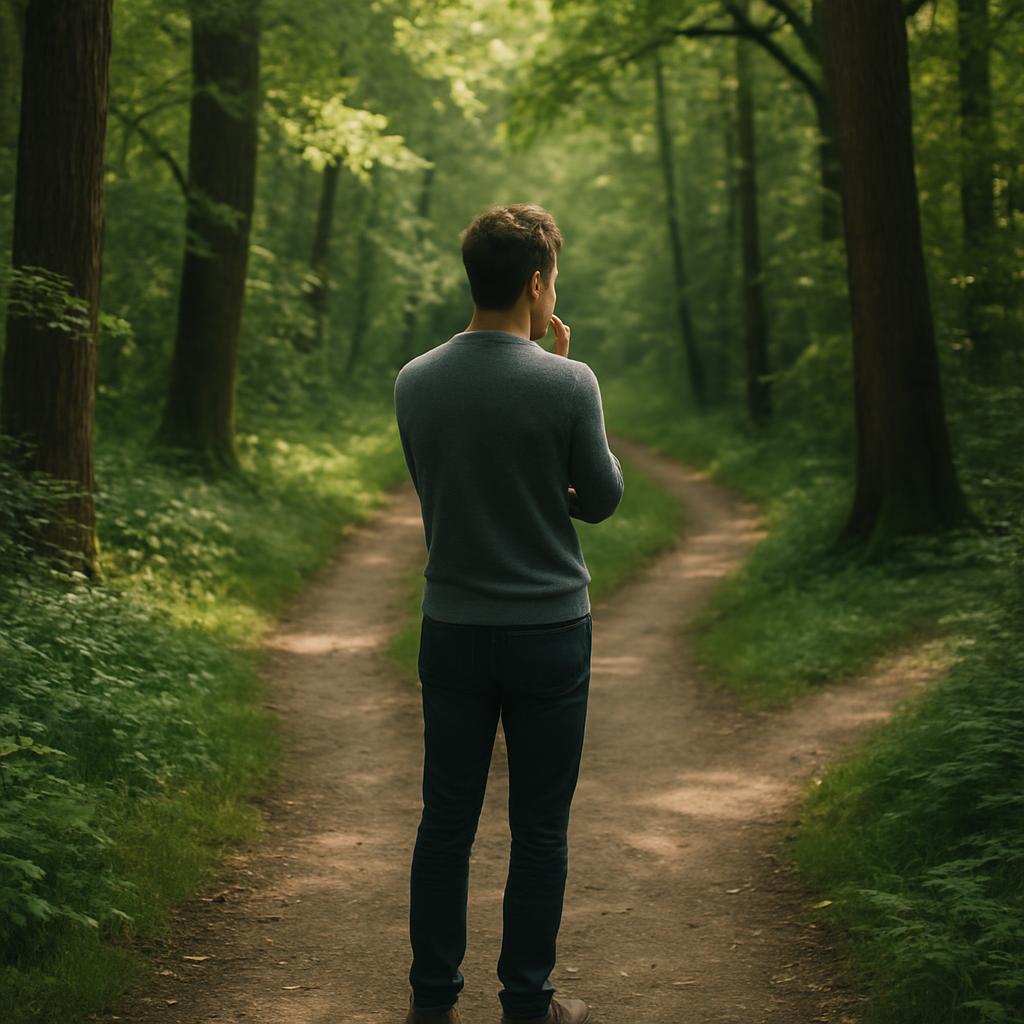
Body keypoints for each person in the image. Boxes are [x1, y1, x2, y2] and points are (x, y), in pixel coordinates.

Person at [394, 203, 624, 1024]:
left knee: (445, 821)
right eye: (552, 277)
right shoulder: (569, 381)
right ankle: (528, 1004)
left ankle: (432, 1005)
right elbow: (598, 500)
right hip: (549, 633)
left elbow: (449, 490)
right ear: (536, 283)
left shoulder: (414, 380)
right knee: (539, 828)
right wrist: (562, 376)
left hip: (452, 628)